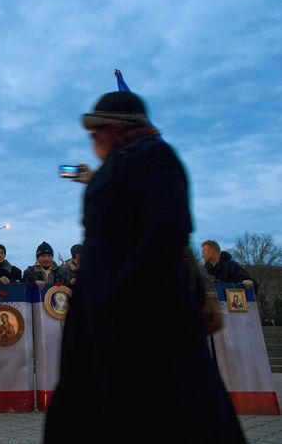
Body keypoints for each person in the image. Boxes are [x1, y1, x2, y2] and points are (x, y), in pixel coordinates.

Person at [45, 91, 245, 442]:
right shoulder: (120, 164)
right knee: (88, 407)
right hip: (102, 310)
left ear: (116, 129)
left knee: (161, 409)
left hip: (142, 311)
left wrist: (124, 289)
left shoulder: (156, 156)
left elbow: (167, 230)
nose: (92, 140)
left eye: (97, 132)